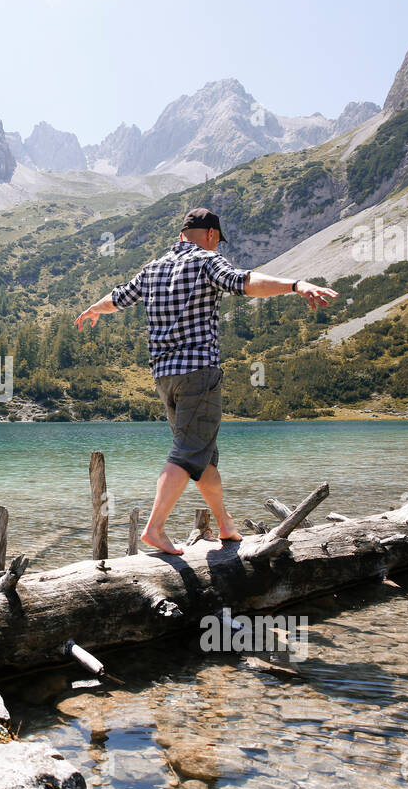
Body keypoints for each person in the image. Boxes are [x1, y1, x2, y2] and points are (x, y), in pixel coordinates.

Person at [75, 208, 337, 555]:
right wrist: (295, 285)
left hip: (164, 377)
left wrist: (94, 308)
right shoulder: (206, 262)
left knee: (203, 457)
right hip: (199, 374)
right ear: (211, 234)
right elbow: (245, 283)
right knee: (186, 453)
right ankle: (154, 529)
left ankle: (226, 526)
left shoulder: (153, 268)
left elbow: (118, 298)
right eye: (216, 240)